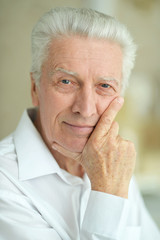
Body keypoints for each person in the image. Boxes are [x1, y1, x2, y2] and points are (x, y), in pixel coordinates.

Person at [0, 7, 159, 240]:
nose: (85, 109)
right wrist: (108, 195)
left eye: (104, 86)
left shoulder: (112, 162)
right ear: (35, 88)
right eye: (66, 81)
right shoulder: (5, 184)